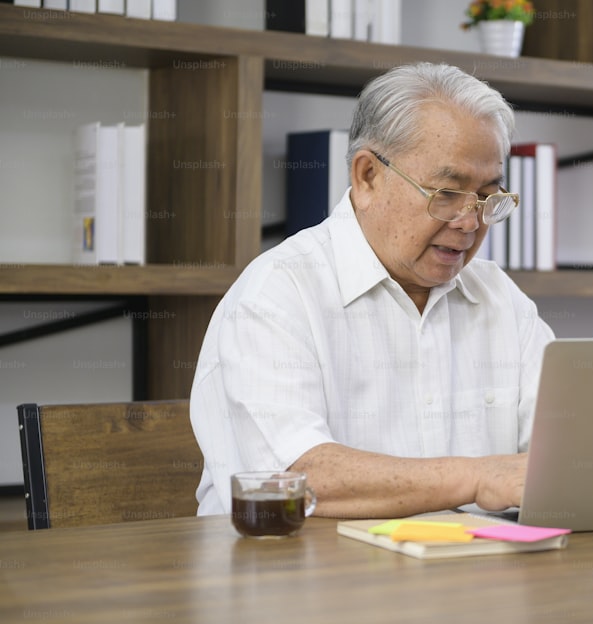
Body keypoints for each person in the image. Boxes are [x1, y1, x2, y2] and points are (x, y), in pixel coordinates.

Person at [190, 62, 554, 518]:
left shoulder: (503, 300)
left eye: (488, 197)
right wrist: (478, 477)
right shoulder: (277, 294)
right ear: (367, 177)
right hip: (305, 581)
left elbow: (568, 453)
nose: (469, 222)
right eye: (446, 193)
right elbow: (296, 479)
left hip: (473, 577)